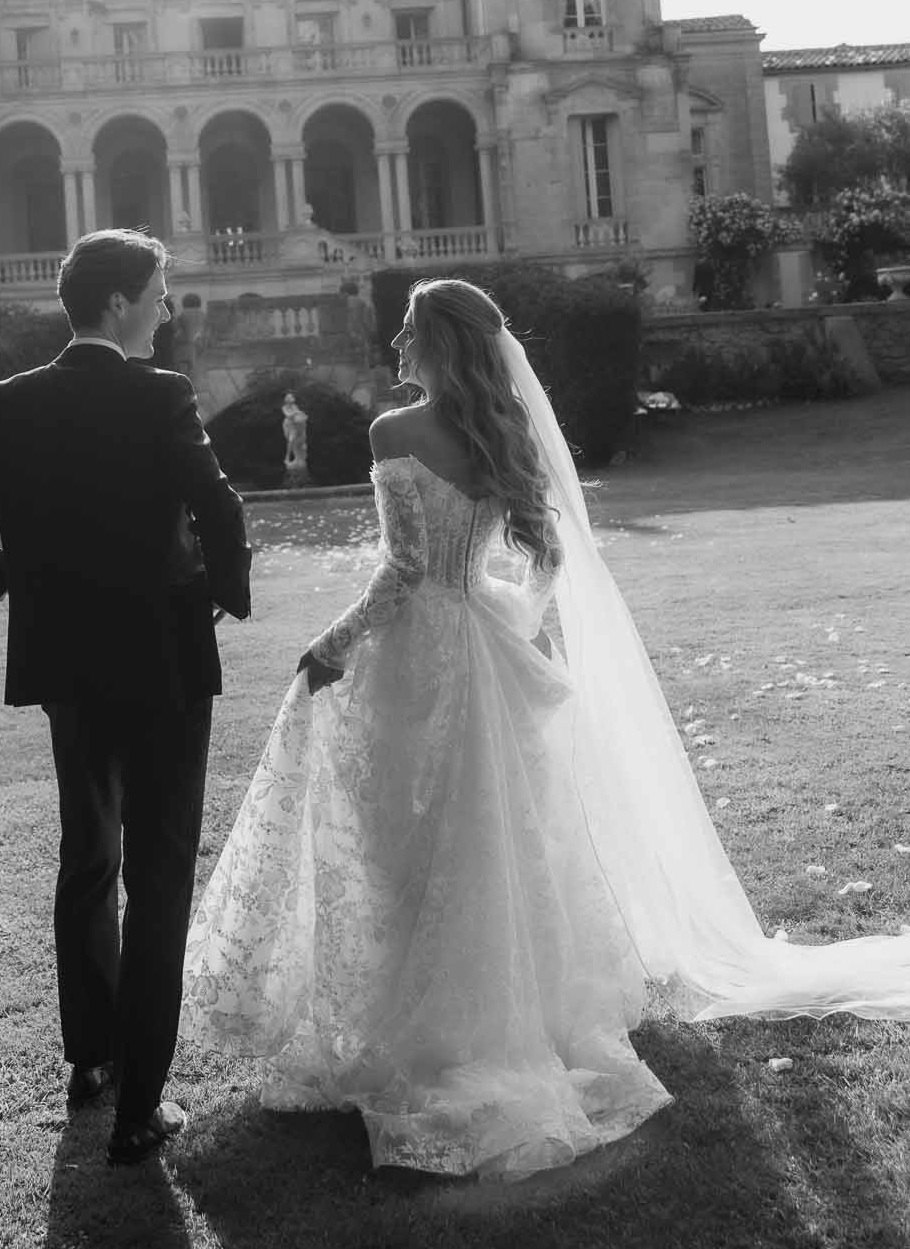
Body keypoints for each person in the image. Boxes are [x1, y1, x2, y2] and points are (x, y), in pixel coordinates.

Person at [182, 278, 910, 1180]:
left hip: (421, 652)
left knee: (410, 835)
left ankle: (435, 1020)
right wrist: (511, 619)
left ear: (439, 344)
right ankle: (512, 1004)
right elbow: (546, 555)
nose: (396, 345)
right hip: (486, 642)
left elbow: (403, 572)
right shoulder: (507, 434)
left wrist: (327, 645)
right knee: (498, 836)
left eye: (408, 333)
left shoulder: (393, 434)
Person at [0, 230, 252, 1166]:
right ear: (117, 304)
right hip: (165, 662)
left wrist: (10, 579)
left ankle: (92, 1061)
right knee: (162, 871)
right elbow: (219, 509)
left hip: (66, 662)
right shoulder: (163, 394)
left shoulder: (6, 402)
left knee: (89, 856)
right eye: (160, 291)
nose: (168, 307)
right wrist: (224, 594)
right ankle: (140, 1106)